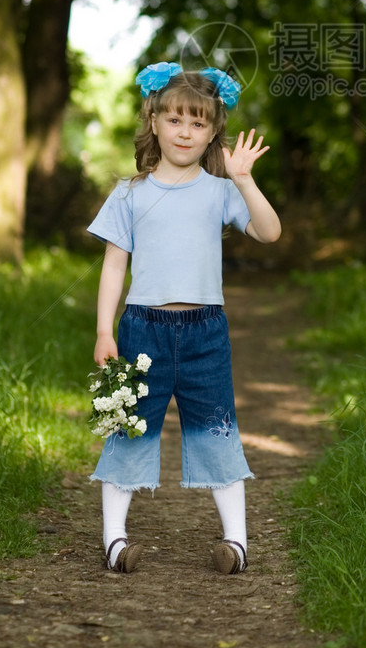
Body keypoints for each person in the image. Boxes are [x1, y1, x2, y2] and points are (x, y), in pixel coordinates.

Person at [88, 61, 281, 576]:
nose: (184, 132)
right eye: (175, 120)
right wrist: (106, 330)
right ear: (153, 121)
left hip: (205, 333)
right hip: (141, 329)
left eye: (198, 123)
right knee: (128, 429)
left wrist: (244, 180)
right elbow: (113, 267)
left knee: (217, 428)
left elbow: (269, 232)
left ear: (214, 131)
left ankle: (235, 542)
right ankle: (115, 539)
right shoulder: (129, 194)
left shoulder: (220, 192)